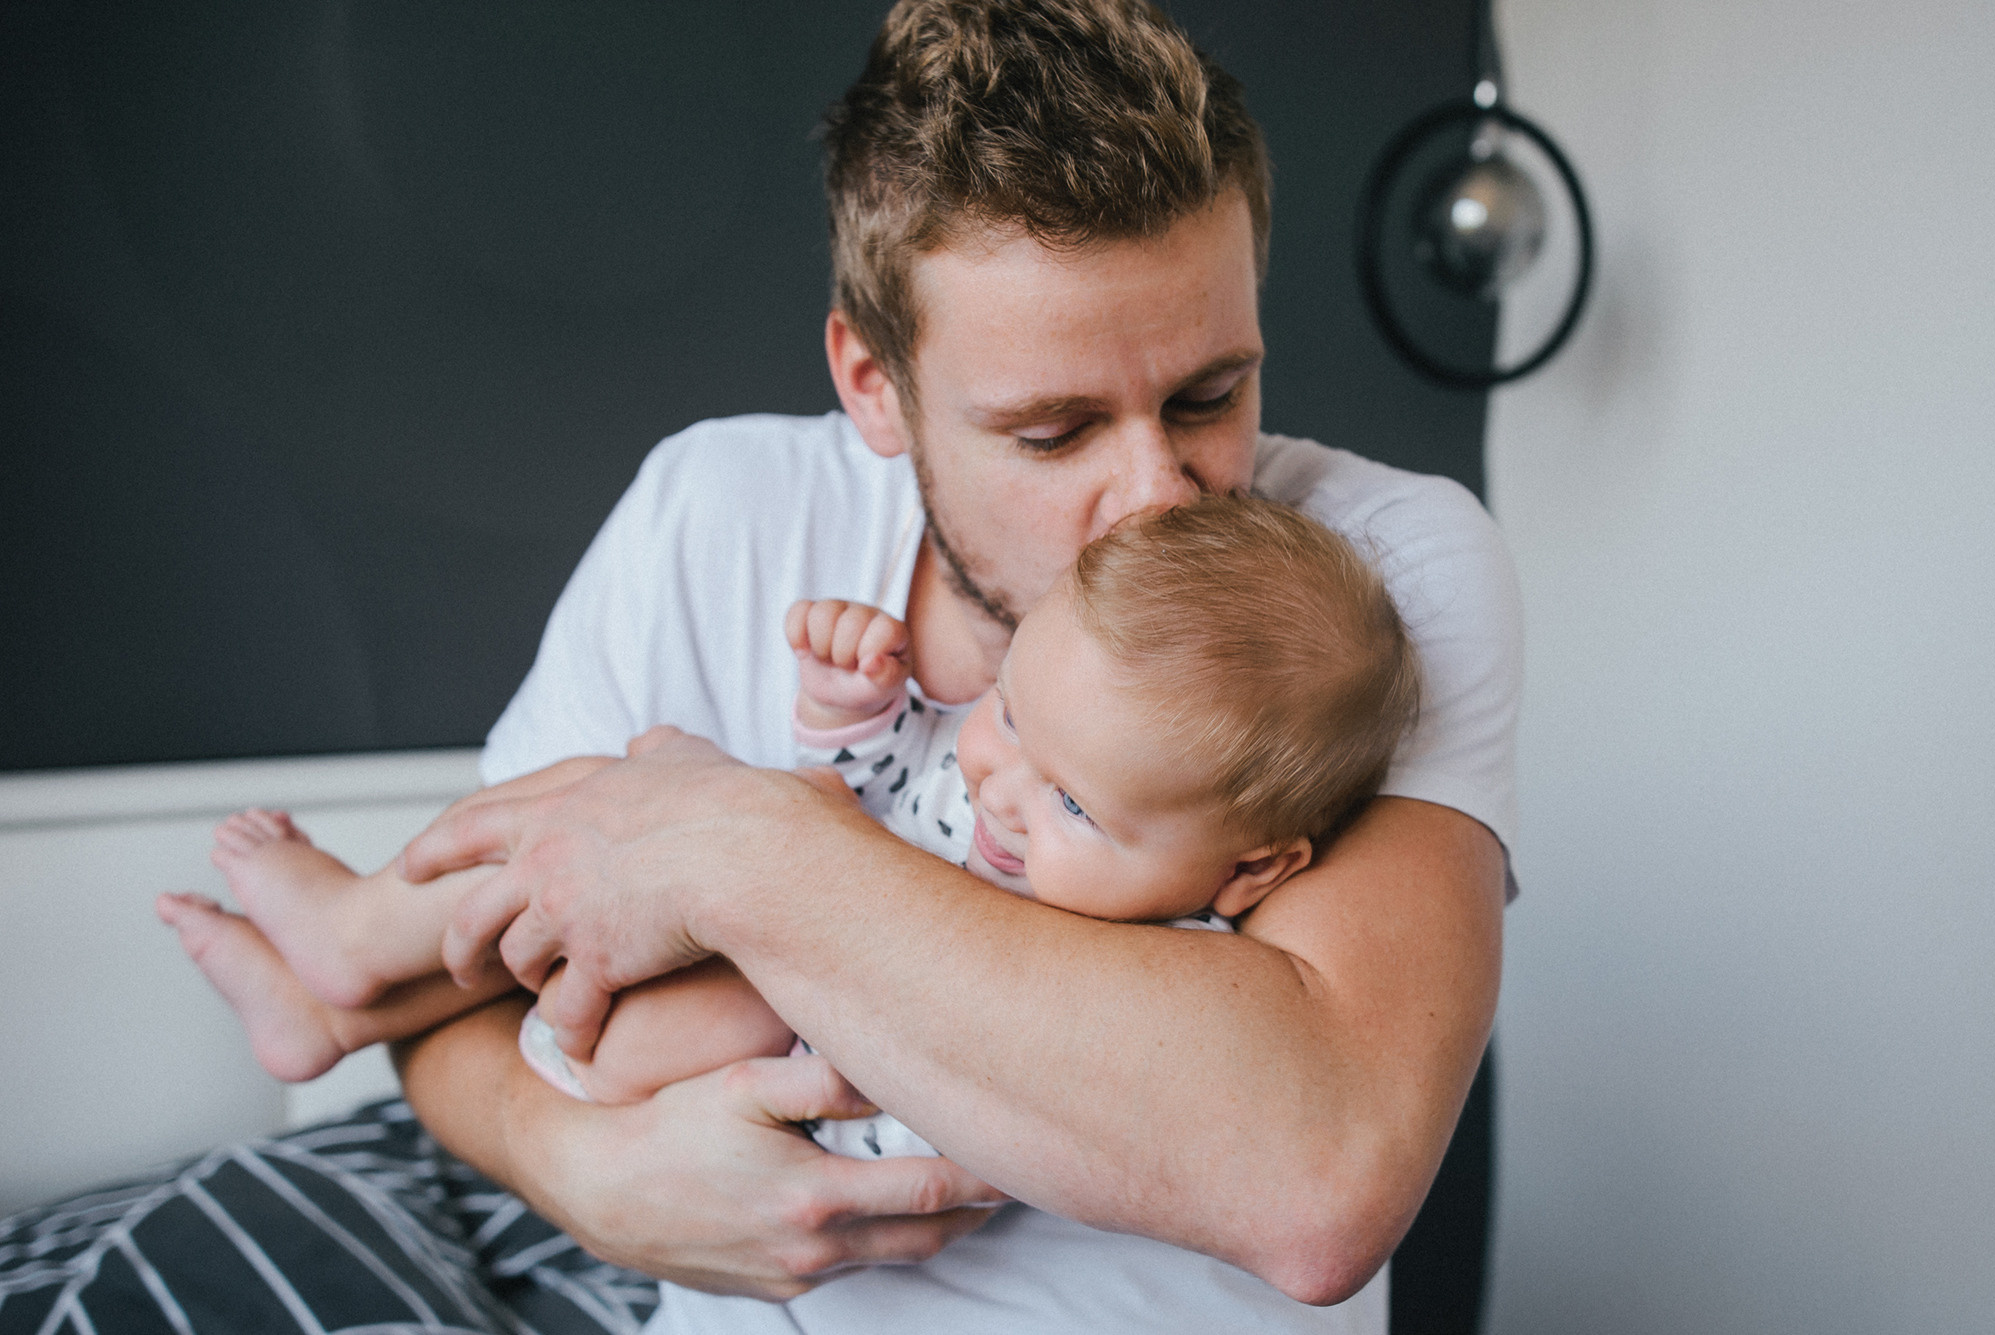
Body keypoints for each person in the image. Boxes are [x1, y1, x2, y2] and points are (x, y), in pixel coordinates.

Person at [0, 3, 1517, 1331]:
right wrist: (583, 1171)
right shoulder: (714, 513)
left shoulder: (1368, 579)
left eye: (1210, 390)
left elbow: (1321, 1176)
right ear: (876, 379)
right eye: (1050, 430)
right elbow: (450, 1004)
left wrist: (741, 843)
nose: (1161, 494)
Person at [157, 497, 1419, 1143]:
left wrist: (800, 911)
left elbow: (1015, 1102)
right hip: (667, 962)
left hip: (723, 1077)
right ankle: (345, 970)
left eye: (1078, 807)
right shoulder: (978, 777)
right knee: (637, 784)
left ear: (1249, 867)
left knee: (753, 936)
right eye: (1014, 717)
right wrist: (848, 709)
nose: (1003, 795)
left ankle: (372, 982)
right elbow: (882, 782)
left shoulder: (1175, 969)